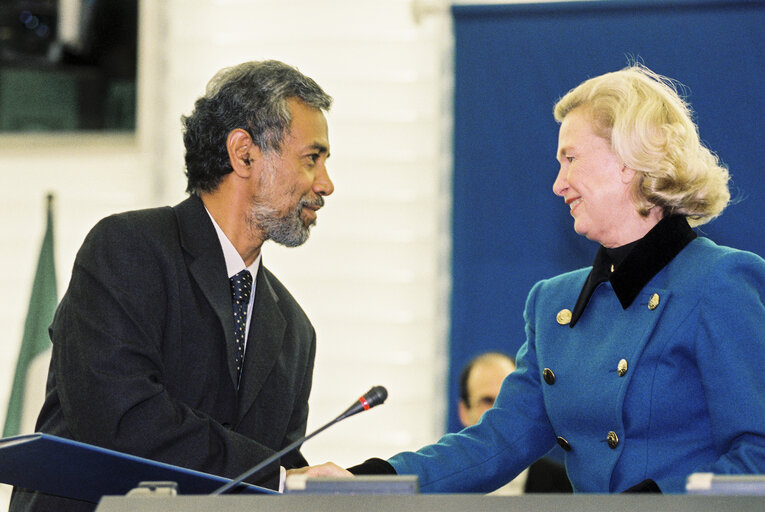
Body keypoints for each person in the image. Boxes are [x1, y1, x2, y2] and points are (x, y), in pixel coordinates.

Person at [291, 64, 765, 493]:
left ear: (628, 160)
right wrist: (369, 481)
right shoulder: (552, 305)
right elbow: (494, 444)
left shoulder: (721, 282)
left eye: (571, 159)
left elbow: (757, 456)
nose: (558, 184)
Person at [10, 59, 334, 511]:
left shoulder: (296, 331)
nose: (326, 184)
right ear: (243, 153)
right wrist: (278, 477)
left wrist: (309, 486)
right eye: (312, 159)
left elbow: (278, 475)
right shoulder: (128, 249)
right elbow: (122, 422)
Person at [458, 352, 571, 494]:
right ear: (464, 412)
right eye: (487, 401)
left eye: (506, 398)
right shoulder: (444, 489)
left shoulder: (568, 487)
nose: (497, 412)